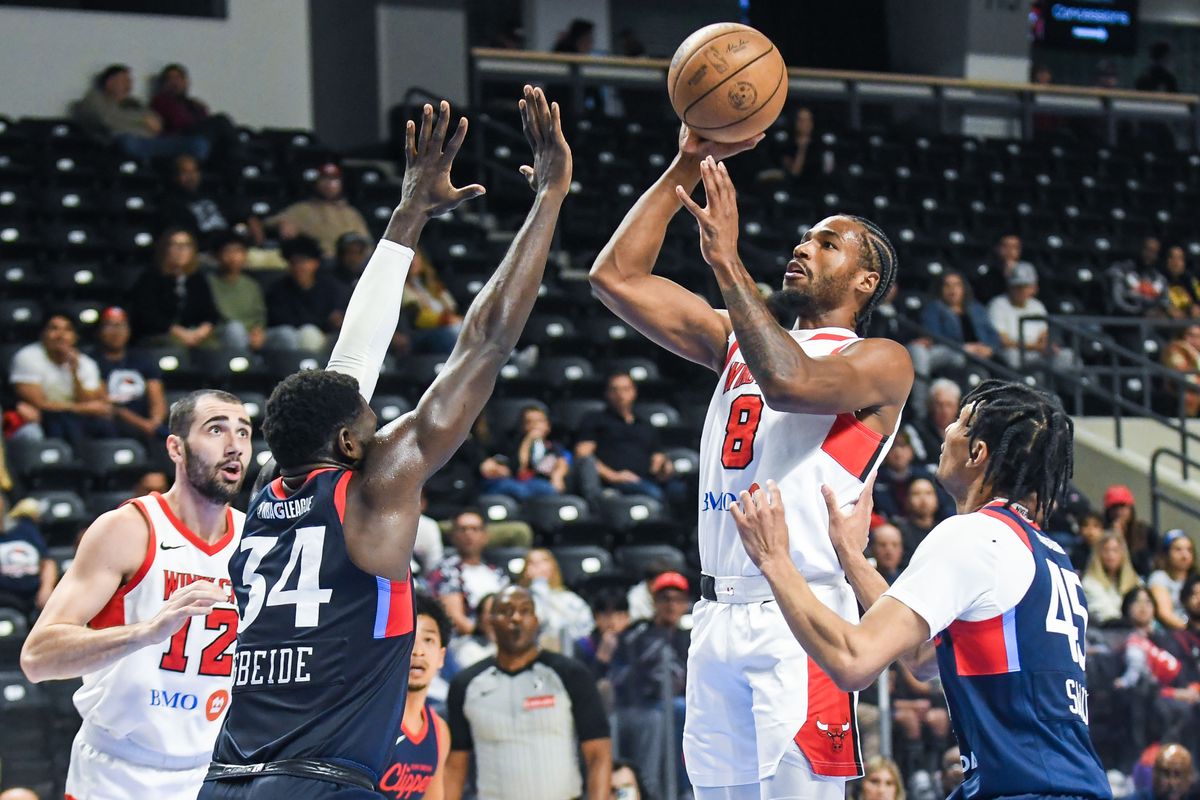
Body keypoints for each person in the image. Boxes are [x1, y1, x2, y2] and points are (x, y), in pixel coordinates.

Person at [200, 88, 570, 797]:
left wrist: (409, 213)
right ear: (346, 442)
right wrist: (549, 197)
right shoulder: (372, 489)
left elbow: (348, 361)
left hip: (225, 777)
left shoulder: (270, 487)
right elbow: (486, 343)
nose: (381, 431)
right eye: (371, 426)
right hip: (318, 781)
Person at [590, 121, 911, 796]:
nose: (803, 246)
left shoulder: (879, 361)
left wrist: (725, 261)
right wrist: (686, 159)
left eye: (828, 244)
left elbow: (792, 384)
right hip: (715, 614)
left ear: (866, 279)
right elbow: (614, 276)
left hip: (804, 617)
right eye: (804, 236)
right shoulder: (737, 337)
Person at [732, 380, 1111, 800]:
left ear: (977, 453)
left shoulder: (975, 536)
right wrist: (851, 557)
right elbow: (920, 655)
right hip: (1060, 784)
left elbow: (853, 660)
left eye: (959, 424)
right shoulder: (1047, 553)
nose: (946, 432)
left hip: (1029, 790)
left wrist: (774, 560)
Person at [19, 389, 250, 798]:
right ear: (175, 448)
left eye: (244, 433)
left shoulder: (254, 541)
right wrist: (143, 632)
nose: (234, 447)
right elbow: (37, 658)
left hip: (209, 772)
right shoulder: (128, 529)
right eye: (216, 430)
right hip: (117, 775)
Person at [444, 586, 612, 800]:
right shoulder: (465, 684)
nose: (515, 618)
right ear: (490, 621)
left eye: (525, 611)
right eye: (505, 611)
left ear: (536, 621)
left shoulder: (571, 675)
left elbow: (599, 754)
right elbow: (455, 768)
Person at [611, 571, 691, 800]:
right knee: (676, 711)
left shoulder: (691, 636)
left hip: (679, 704)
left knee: (683, 709)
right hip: (641, 706)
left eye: (677, 599)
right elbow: (624, 677)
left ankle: (688, 788)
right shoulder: (638, 634)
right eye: (665, 599)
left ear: (685, 603)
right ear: (655, 602)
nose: (671, 605)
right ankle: (663, 790)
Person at [377, 593, 452, 800]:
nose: (418, 651)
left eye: (428, 640)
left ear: (441, 656)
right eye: (409, 639)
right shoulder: (369, 719)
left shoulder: (440, 731)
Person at [9, 313, 111, 448]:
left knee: (104, 423)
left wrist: (74, 372)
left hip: (77, 417)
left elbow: (90, 402)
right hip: (44, 418)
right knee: (61, 422)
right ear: (43, 334)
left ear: (75, 337)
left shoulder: (86, 363)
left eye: (67, 330)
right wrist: (79, 408)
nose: (61, 335)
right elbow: (38, 403)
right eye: (54, 329)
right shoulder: (28, 357)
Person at [72, 63, 208, 162]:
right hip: (114, 145)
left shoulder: (134, 103)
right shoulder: (94, 98)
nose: (129, 85)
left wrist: (134, 123)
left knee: (197, 144)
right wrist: (142, 122)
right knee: (127, 141)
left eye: (130, 81)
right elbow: (107, 121)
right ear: (109, 82)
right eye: (124, 81)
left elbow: (157, 124)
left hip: (150, 143)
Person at [575, 373, 675, 505]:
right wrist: (613, 476)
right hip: (615, 482)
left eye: (625, 389)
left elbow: (658, 454)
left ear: (634, 392)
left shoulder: (644, 424)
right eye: (615, 389)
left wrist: (664, 465)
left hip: (650, 479)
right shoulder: (595, 419)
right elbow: (583, 455)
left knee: (682, 491)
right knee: (653, 493)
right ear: (607, 393)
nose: (620, 394)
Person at [909, 271, 999, 397]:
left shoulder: (976, 308)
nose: (952, 290)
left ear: (963, 288)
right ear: (940, 289)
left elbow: (993, 335)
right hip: (952, 353)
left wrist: (989, 348)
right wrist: (964, 348)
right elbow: (934, 337)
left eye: (957, 285)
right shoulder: (934, 308)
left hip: (980, 355)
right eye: (947, 285)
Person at [128, 228, 222, 348]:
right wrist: (178, 332)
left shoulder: (197, 279)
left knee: (214, 348)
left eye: (187, 245)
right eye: (176, 245)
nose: (181, 250)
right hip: (158, 335)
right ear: (165, 249)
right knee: (175, 347)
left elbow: (210, 313)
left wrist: (202, 330)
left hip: (193, 334)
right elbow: (149, 316)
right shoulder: (150, 278)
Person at [428, 509, 511, 642]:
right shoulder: (445, 571)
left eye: (475, 529)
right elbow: (456, 619)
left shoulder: (497, 573)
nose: (469, 534)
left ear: (485, 536)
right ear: (453, 535)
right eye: (463, 529)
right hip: (465, 643)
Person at [93, 306, 168, 444]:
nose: (116, 332)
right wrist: (143, 425)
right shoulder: (93, 361)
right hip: (116, 421)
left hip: (147, 422)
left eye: (121, 326)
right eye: (110, 326)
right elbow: (105, 400)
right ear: (99, 331)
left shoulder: (142, 358)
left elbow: (157, 397)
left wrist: (155, 423)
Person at [268, 163, 372, 259]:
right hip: (320, 265)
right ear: (316, 182)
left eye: (334, 180)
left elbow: (367, 244)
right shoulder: (303, 209)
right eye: (325, 179)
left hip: (350, 265)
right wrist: (281, 223)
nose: (329, 185)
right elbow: (268, 222)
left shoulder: (351, 213)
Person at [264, 234, 348, 352]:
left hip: (323, 339)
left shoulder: (331, 287)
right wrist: (323, 321)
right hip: (289, 341)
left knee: (310, 334)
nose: (299, 267)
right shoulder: (278, 289)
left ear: (315, 263)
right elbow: (279, 319)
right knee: (300, 333)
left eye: (304, 262)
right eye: (294, 262)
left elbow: (337, 318)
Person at [986, 263, 1073, 372]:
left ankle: (1060, 387)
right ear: (1009, 286)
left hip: (1036, 353)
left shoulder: (1037, 306)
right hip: (1012, 352)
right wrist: (1036, 347)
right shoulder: (998, 304)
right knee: (1012, 356)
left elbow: (1043, 335)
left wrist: (1047, 347)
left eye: (1025, 286)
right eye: (1017, 286)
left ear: (1034, 288)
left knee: (1067, 356)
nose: (1021, 290)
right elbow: (1003, 341)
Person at [480, 405, 570, 500]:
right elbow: (520, 468)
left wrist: (557, 477)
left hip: (542, 483)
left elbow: (563, 462)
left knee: (547, 489)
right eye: (529, 422)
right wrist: (528, 441)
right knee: (518, 489)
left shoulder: (554, 446)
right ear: (522, 426)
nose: (535, 425)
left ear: (548, 425)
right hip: (517, 482)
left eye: (539, 421)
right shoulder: (513, 444)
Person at [150, 63, 239, 159]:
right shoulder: (161, 101)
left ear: (186, 82)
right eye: (170, 79)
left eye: (179, 78)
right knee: (221, 121)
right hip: (181, 137)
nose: (175, 83)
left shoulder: (195, 105)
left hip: (203, 138)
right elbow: (179, 121)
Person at [518, 548, 593, 653]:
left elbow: (586, 627)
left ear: (553, 566)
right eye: (532, 563)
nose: (538, 566)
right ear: (525, 571)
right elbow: (540, 620)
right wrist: (539, 585)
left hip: (567, 654)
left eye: (543, 561)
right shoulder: (520, 600)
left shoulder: (570, 599)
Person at [208, 231, 268, 352]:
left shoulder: (251, 285)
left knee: (284, 334)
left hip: (251, 334)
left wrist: (258, 332)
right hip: (222, 335)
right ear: (217, 255)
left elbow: (260, 316)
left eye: (238, 251)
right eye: (227, 251)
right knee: (235, 329)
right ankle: (243, 367)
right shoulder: (208, 284)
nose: (233, 257)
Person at [159, 154, 234, 249]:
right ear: (175, 176)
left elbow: (234, 214)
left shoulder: (213, 194)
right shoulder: (170, 203)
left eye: (194, 171)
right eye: (185, 172)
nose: (190, 176)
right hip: (202, 250)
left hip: (229, 246)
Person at [0, 492, 56, 616]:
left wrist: (46, 588)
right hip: (5, 597)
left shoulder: (25, 528)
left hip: (34, 593)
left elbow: (47, 562)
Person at [403, 248, 463, 355]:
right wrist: (447, 320)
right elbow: (418, 318)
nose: (413, 260)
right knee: (451, 334)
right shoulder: (402, 287)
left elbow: (451, 306)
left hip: (445, 325)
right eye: (410, 256)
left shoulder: (430, 285)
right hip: (422, 332)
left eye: (416, 256)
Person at [1083, 533, 1141, 626]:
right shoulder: (1089, 583)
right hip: (1105, 632)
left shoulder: (1135, 581)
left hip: (1134, 632)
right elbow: (1106, 615)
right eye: (1106, 550)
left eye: (1115, 550)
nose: (1111, 555)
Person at [902, 378, 961, 471]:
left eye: (949, 405)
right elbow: (919, 462)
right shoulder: (916, 429)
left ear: (957, 406)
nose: (944, 410)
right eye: (939, 404)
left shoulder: (965, 430)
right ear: (930, 405)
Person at [573, 587, 631, 679]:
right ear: (596, 617)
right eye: (606, 615)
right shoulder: (583, 646)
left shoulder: (635, 643)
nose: (613, 622)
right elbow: (583, 685)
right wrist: (601, 659)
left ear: (628, 618)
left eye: (619, 615)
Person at [1108, 237, 1170, 318]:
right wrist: (1141, 313)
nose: (1149, 254)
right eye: (1147, 249)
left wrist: (1160, 310)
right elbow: (1117, 302)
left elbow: (1165, 301)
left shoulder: (1159, 278)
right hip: (1123, 320)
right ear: (1140, 249)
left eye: (1154, 252)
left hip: (1150, 323)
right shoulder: (1121, 270)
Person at [1148, 530, 1197, 631]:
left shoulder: (1196, 579)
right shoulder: (1159, 577)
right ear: (1166, 553)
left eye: (1189, 550)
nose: (1185, 555)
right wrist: (1193, 631)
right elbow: (1165, 614)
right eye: (1178, 550)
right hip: (1172, 634)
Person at [1104, 484, 1157, 576]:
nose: (1119, 512)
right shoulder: (1103, 532)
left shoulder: (1144, 531)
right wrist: (1116, 537)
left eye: (1123, 507)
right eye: (1114, 508)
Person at [896, 478, 941, 560]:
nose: (923, 499)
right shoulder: (899, 532)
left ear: (936, 500)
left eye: (928, 493)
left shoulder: (943, 530)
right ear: (907, 500)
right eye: (916, 494)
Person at [1163, 324, 1200, 417]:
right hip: (1181, 388)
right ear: (1183, 336)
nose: (1194, 340)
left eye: (1198, 336)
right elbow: (1188, 376)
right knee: (1189, 396)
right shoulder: (1176, 349)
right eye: (1190, 335)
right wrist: (1193, 354)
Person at [1162, 246, 1200, 320]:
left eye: (1179, 258)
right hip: (1167, 322)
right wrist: (1168, 309)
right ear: (1167, 261)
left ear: (1184, 263)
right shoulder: (1160, 279)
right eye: (1172, 257)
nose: (1175, 262)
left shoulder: (1191, 281)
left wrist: (1195, 308)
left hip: (1189, 321)